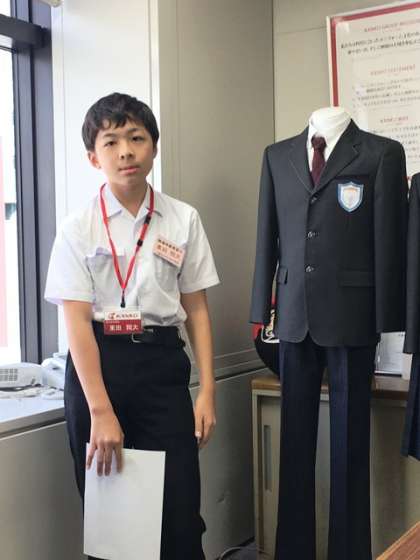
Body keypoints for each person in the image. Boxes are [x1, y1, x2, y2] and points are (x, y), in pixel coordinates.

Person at [45, 92, 220, 560]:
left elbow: (197, 309)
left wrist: (207, 390)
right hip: (99, 369)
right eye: (111, 142)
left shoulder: (182, 219)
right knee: (114, 524)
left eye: (137, 138)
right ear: (93, 156)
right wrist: (101, 412)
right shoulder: (78, 227)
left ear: (154, 147)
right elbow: (76, 323)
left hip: (162, 366)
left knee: (180, 514)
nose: (126, 151)